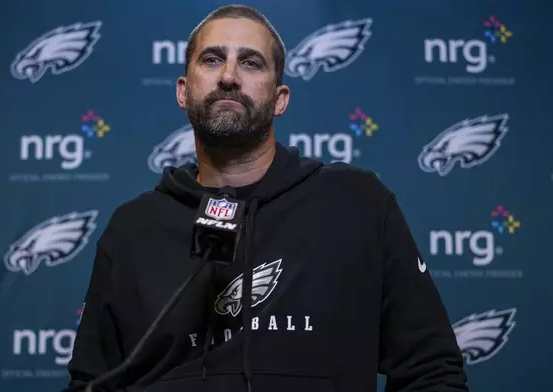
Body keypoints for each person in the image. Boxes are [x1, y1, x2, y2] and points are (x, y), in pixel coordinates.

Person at [63, 4, 469, 392]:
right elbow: (91, 383)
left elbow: (431, 372)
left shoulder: (358, 205)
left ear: (280, 99)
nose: (228, 76)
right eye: (211, 59)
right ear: (183, 92)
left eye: (251, 62)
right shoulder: (134, 228)